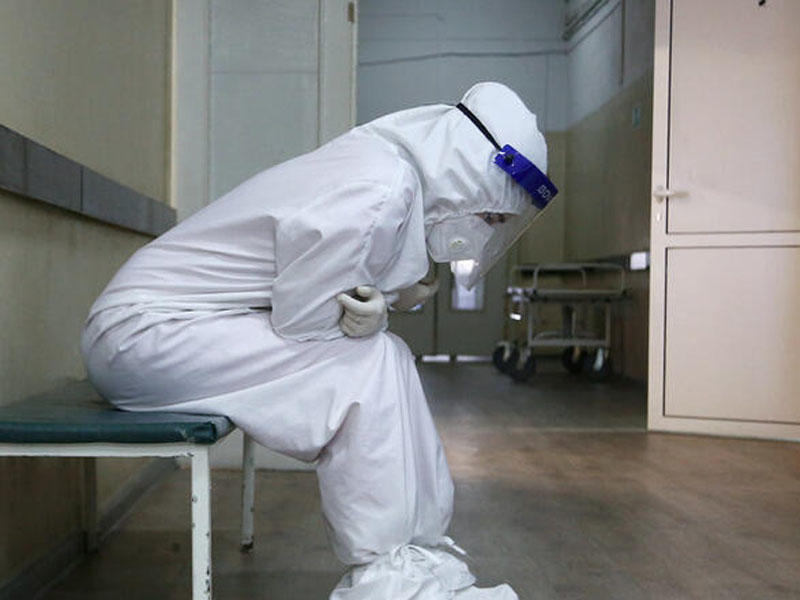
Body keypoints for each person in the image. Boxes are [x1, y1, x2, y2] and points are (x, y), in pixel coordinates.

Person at [81, 81, 554, 599]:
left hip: (168, 330)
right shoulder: (378, 189)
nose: (485, 229)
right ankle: (388, 580)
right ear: (465, 178)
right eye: (489, 216)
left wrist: (387, 298)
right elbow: (305, 321)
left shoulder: (386, 170)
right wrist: (380, 309)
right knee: (367, 367)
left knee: (388, 356)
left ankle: (416, 558)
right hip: (143, 336)